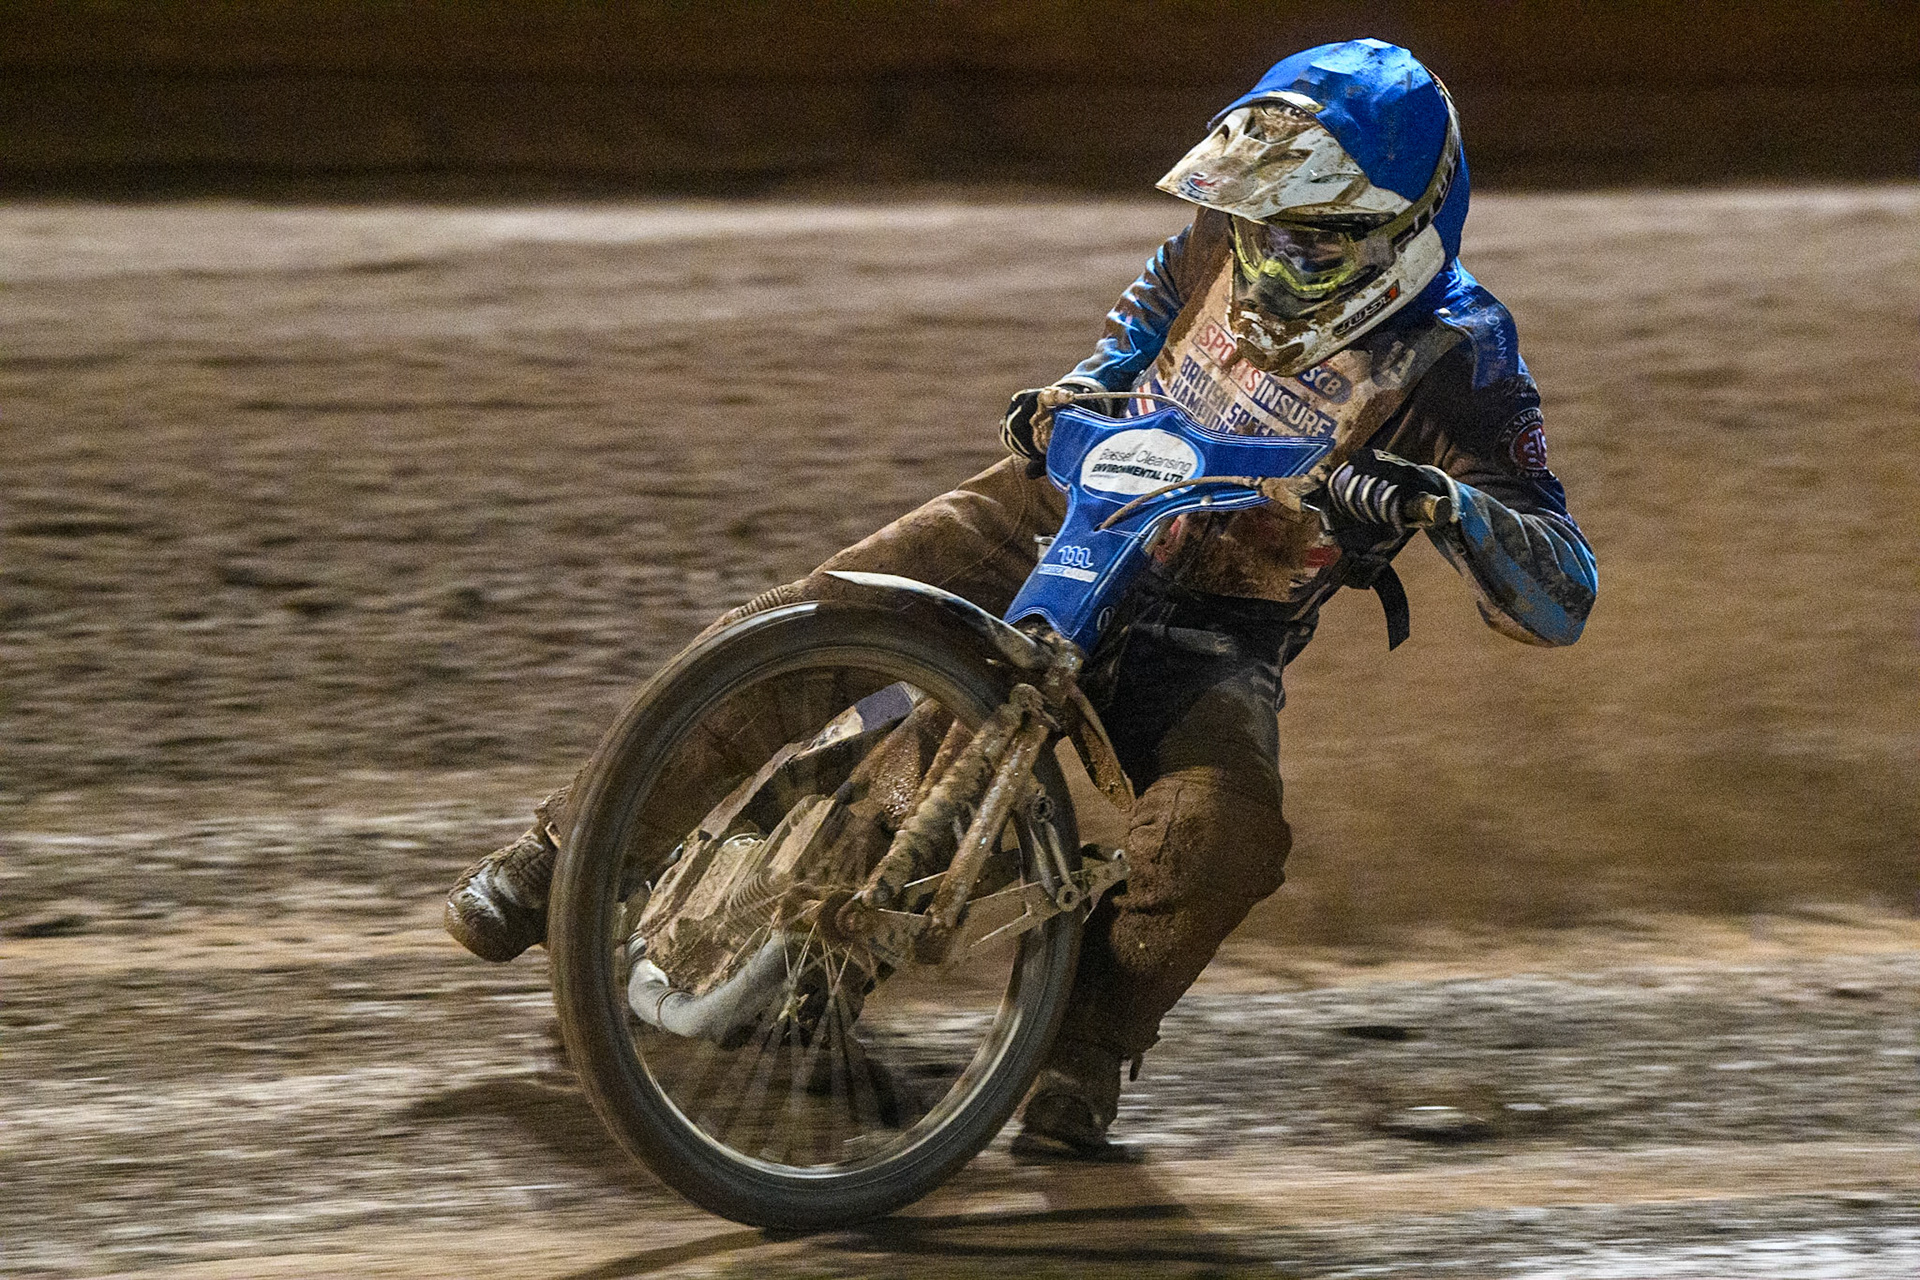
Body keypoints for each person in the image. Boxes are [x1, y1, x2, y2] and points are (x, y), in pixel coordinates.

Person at [442, 38, 1597, 1160]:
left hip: (1211, 629)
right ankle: (561, 853)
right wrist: (1088, 383)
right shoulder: (1221, 237)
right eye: (1258, 220)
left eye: (1306, 231)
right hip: (1049, 511)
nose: (1266, 249)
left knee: (1220, 836)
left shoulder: (1465, 354)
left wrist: (1443, 502)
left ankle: (1080, 1048)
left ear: (1394, 233)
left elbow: (1564, 584)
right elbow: (1147, 312)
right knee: (803, 624)